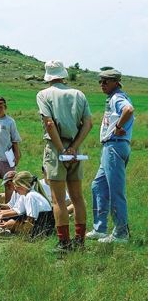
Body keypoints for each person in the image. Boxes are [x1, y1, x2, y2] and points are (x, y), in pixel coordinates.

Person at [36, 60, 93, 252]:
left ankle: (64, 243)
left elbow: (49, 124)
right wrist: (74, 147)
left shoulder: (43, 95)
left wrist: (61, 150)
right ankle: (80, 241)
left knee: (58, 199)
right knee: (77, 197)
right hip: (76, 149)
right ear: (63, 74)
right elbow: (88, 123)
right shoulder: (78, 94)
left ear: (48, 76)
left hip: (56, 148)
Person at [87, 69, 135, 244]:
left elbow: (128, 110)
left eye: (106, 81)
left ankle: (121, 233)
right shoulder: (113, 97)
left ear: (116, 82)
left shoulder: (117, 97)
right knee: (97, 186)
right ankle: (100, 229)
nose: (102, 84)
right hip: (111, 146)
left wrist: (118, 127)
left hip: (115, 145)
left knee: (115, 190)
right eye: (100, 81)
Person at [0, 171, 54, 239]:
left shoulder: (30, 196)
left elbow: (31, 220)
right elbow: (20, 212)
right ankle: (8, 230)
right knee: (11, 222)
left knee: (12, 223)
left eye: (17, 187)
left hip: (42, 229)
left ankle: (10, 231)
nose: (15, 190)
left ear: (23, 186)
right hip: (44, 226)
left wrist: (20, 230)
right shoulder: (29, 194)